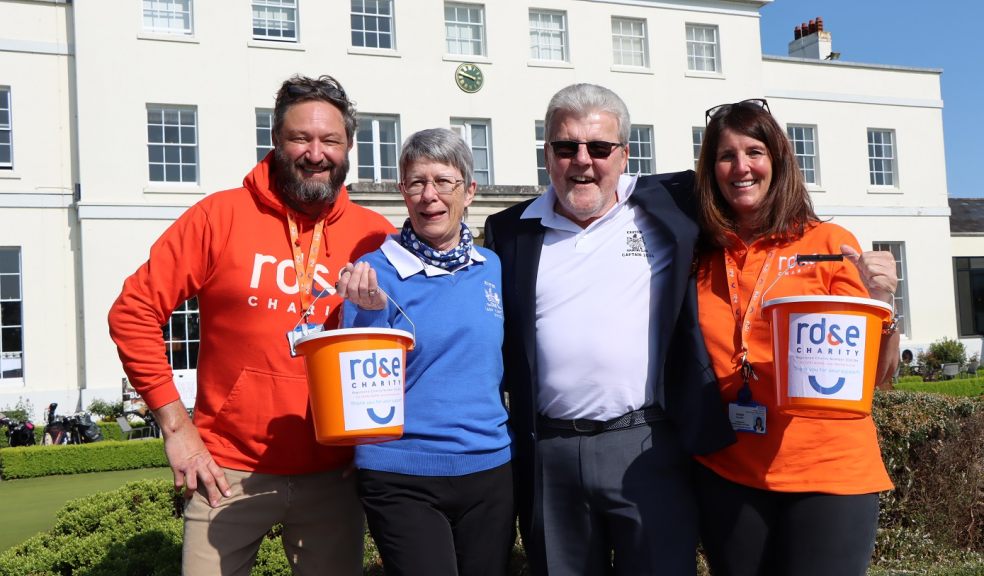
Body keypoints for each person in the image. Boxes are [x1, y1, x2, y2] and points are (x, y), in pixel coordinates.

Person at [108, 74, 395, 576]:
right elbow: (133, 312)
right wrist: (177, 428)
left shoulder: (375, 234)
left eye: (330, 140)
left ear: (348, 146)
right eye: (299, 138)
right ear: (275, 141)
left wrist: (376, 440)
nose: (315, 152)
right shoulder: (218, 217)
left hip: (335, 476)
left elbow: (406, 344)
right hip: (227, 470)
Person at [483, 83, 735, 576]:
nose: (583, 161)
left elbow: (755, 191)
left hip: (646, 444)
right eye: (565, 147)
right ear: (547, 153)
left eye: (599, 148)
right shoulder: (509, 230)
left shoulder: (672, 204)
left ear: (624, 154)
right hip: (549, 453)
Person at [692, 98, 900, 576]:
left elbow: (877, 377)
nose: (741, 167)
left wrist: (882, 302)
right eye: (726, 156)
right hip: (729, 469)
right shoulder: (699, 253)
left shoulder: (829, 244)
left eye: (754, 152)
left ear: (778, 160)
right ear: (711, 170)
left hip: (829, 471)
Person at [336, 128, 513, 575]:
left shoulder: (491, 267)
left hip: (489, 467)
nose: (429, 195)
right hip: (402, 473)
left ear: (469, 191)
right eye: (416, 182)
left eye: (443, 181)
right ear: (402, 191)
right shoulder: (372, 273)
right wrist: (370, 312)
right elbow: (359, 386)